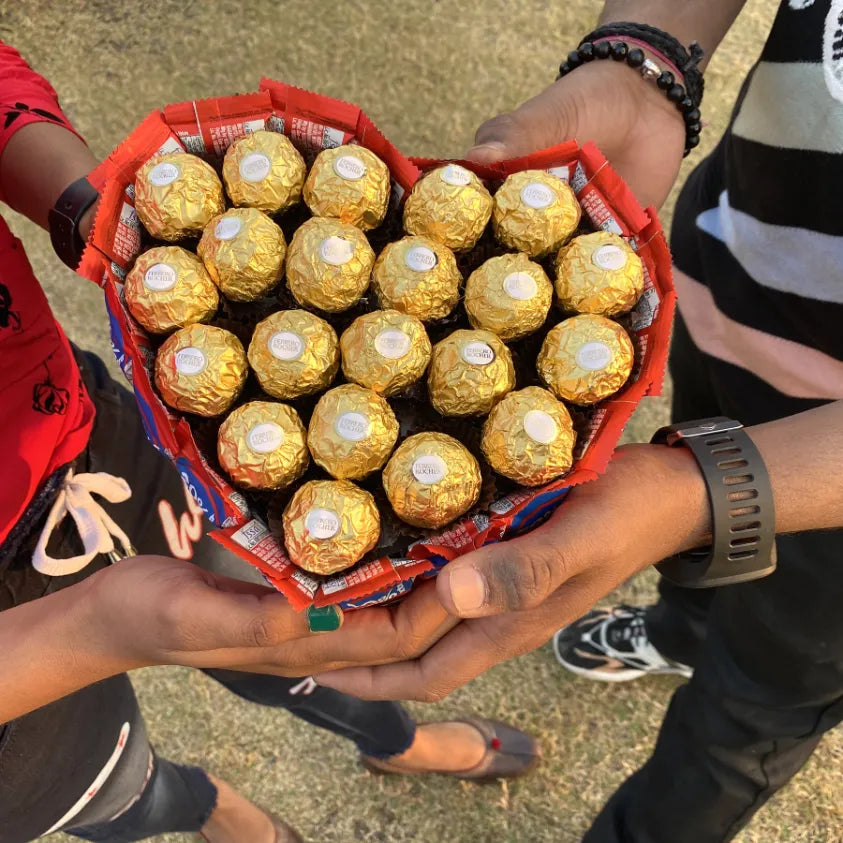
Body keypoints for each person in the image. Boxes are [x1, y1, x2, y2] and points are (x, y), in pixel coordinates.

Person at [316, 1, 843, 840]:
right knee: (698, 561)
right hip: (728, 273)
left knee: (750, 709)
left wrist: (700, 491)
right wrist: (647, 60)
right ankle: (678, 627)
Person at [0, 42, 539, 843]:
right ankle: (209, 807)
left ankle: (392, 740)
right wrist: (99, 630)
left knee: (288, 631)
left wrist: (88, 211)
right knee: (117, 788)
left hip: (78, 429)